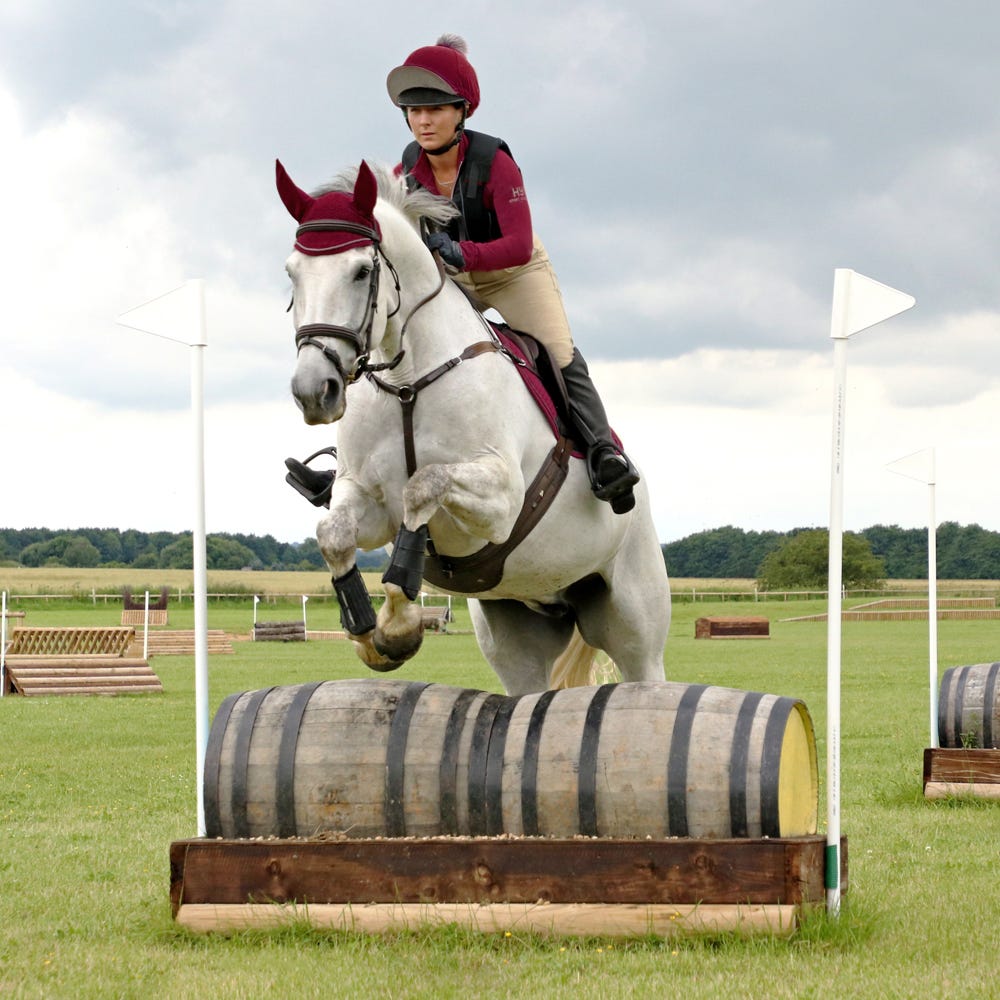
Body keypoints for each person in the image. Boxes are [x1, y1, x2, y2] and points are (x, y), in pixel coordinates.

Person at [285, 33, 639, 514]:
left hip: (514, 272)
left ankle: (603, 452)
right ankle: (350, 470)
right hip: (456, 274)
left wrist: (461, 252)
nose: (423, 121)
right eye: (414, 111)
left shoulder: (496, 163)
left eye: (435, 110)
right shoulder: (408, 168)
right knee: (395, 343)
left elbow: (518, 244)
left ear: (462, 112)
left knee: (558, 353)